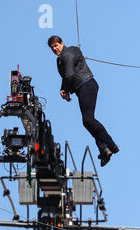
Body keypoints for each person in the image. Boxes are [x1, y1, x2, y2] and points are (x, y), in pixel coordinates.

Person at [47, 35, 119, 167]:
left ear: (62, 43)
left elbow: (69, 74)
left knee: (88, 120)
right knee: (87, 121)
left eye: (56, 46)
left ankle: (111, 145)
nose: (55, 49)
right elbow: (66, 76)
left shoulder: (67, 54)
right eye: (52, 48)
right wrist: (64, 89)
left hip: (86, 85)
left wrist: (66, 91)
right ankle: (104, 149)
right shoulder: (60, 60)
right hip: (82, 89)